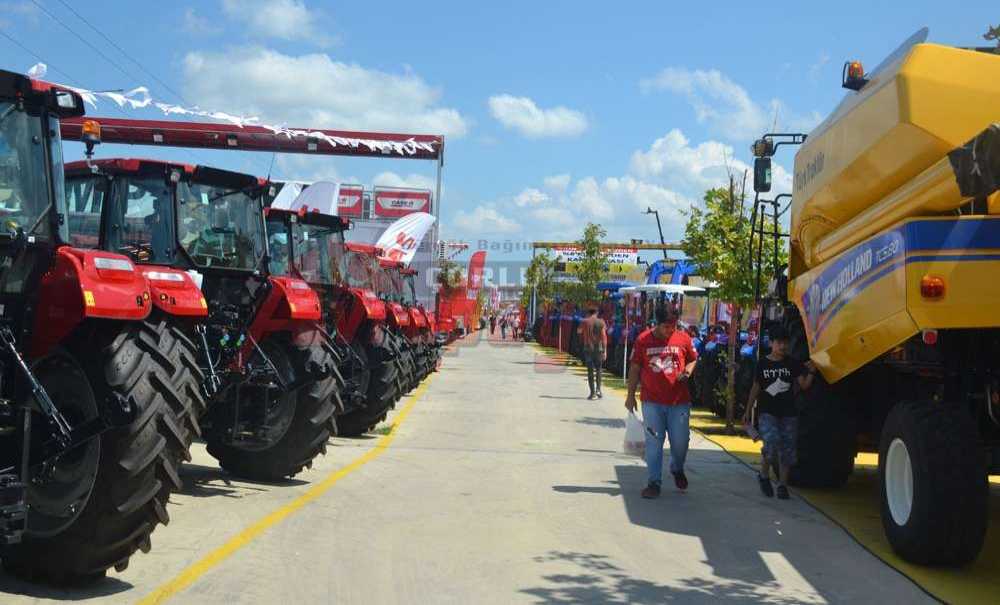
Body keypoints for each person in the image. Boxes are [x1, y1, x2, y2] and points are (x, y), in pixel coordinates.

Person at [625, 306, 698, 498]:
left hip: (679, 402)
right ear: (656, 324)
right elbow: (634, 369)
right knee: (654, 442)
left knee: (680, 442)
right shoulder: (643, 340)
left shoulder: (683, 338)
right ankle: (654, 482)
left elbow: (692, 359)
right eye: (666, 327)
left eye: (673, 326)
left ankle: (677, 467)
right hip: (652, 402)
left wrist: (688, 372)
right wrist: (630, 395)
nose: (670, 331)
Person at [743, 325, 817, 500]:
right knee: (771, 442)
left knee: (788, 449)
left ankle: (782, 485)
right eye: (779, 343)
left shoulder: (792, 363)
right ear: (771, 343)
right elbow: (756, 387)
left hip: (789, 413)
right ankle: (764, 475)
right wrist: (747, 410)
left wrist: (812, 370)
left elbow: (804, 384)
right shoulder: (762, 363)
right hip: (767, 412)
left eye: (786, 343)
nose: (783, 346)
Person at [577, 307, 607, 400]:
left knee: (590, 371)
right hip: (599, 349)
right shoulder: (601, 322)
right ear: (596, 312)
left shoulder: (585, 321)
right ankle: (598, 389)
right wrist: (605, 350)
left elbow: (579, 331)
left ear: (588, 313)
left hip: (588, 348)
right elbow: (604, 337)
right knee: (598, 370)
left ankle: (592, 393)